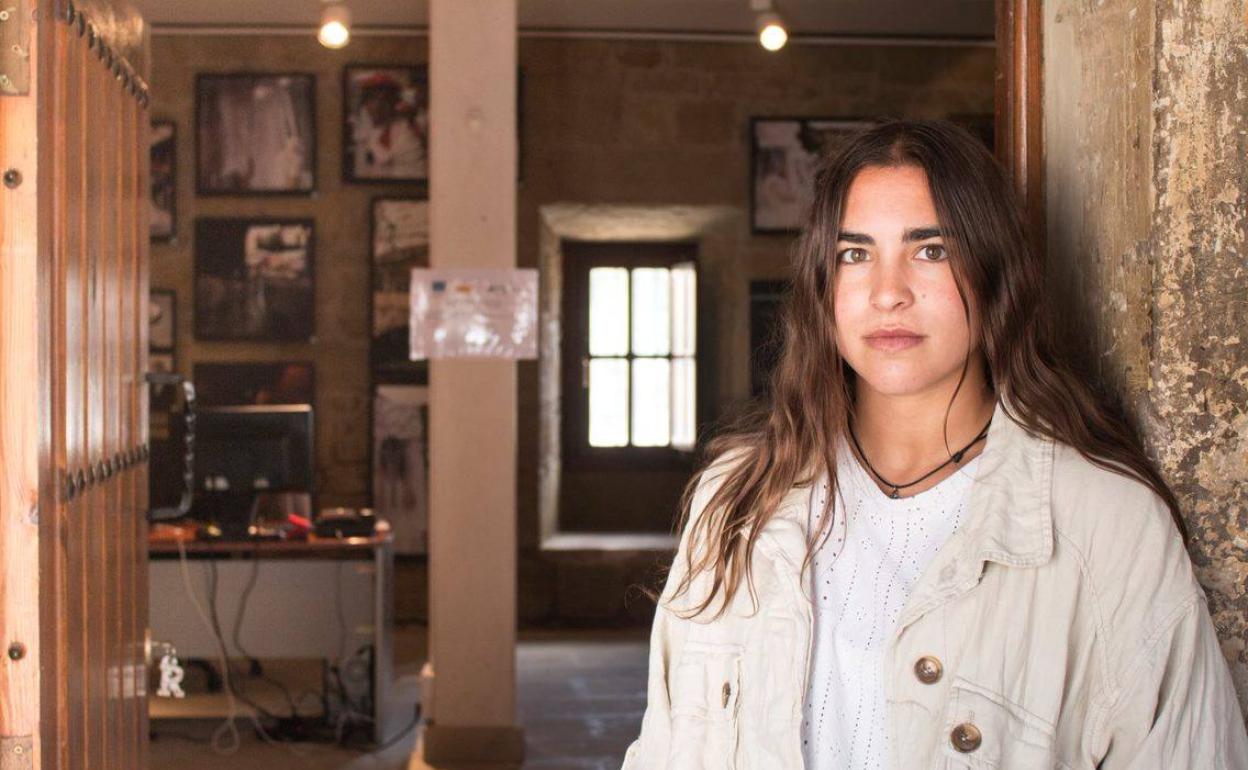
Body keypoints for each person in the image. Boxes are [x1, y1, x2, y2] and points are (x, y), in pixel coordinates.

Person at [620, 119, 1248, 769]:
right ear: (821, 284)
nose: (888, 292)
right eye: (854, 254)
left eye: (930, 250)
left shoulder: (1107, 525)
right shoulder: (738, 495)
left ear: (991, 271)